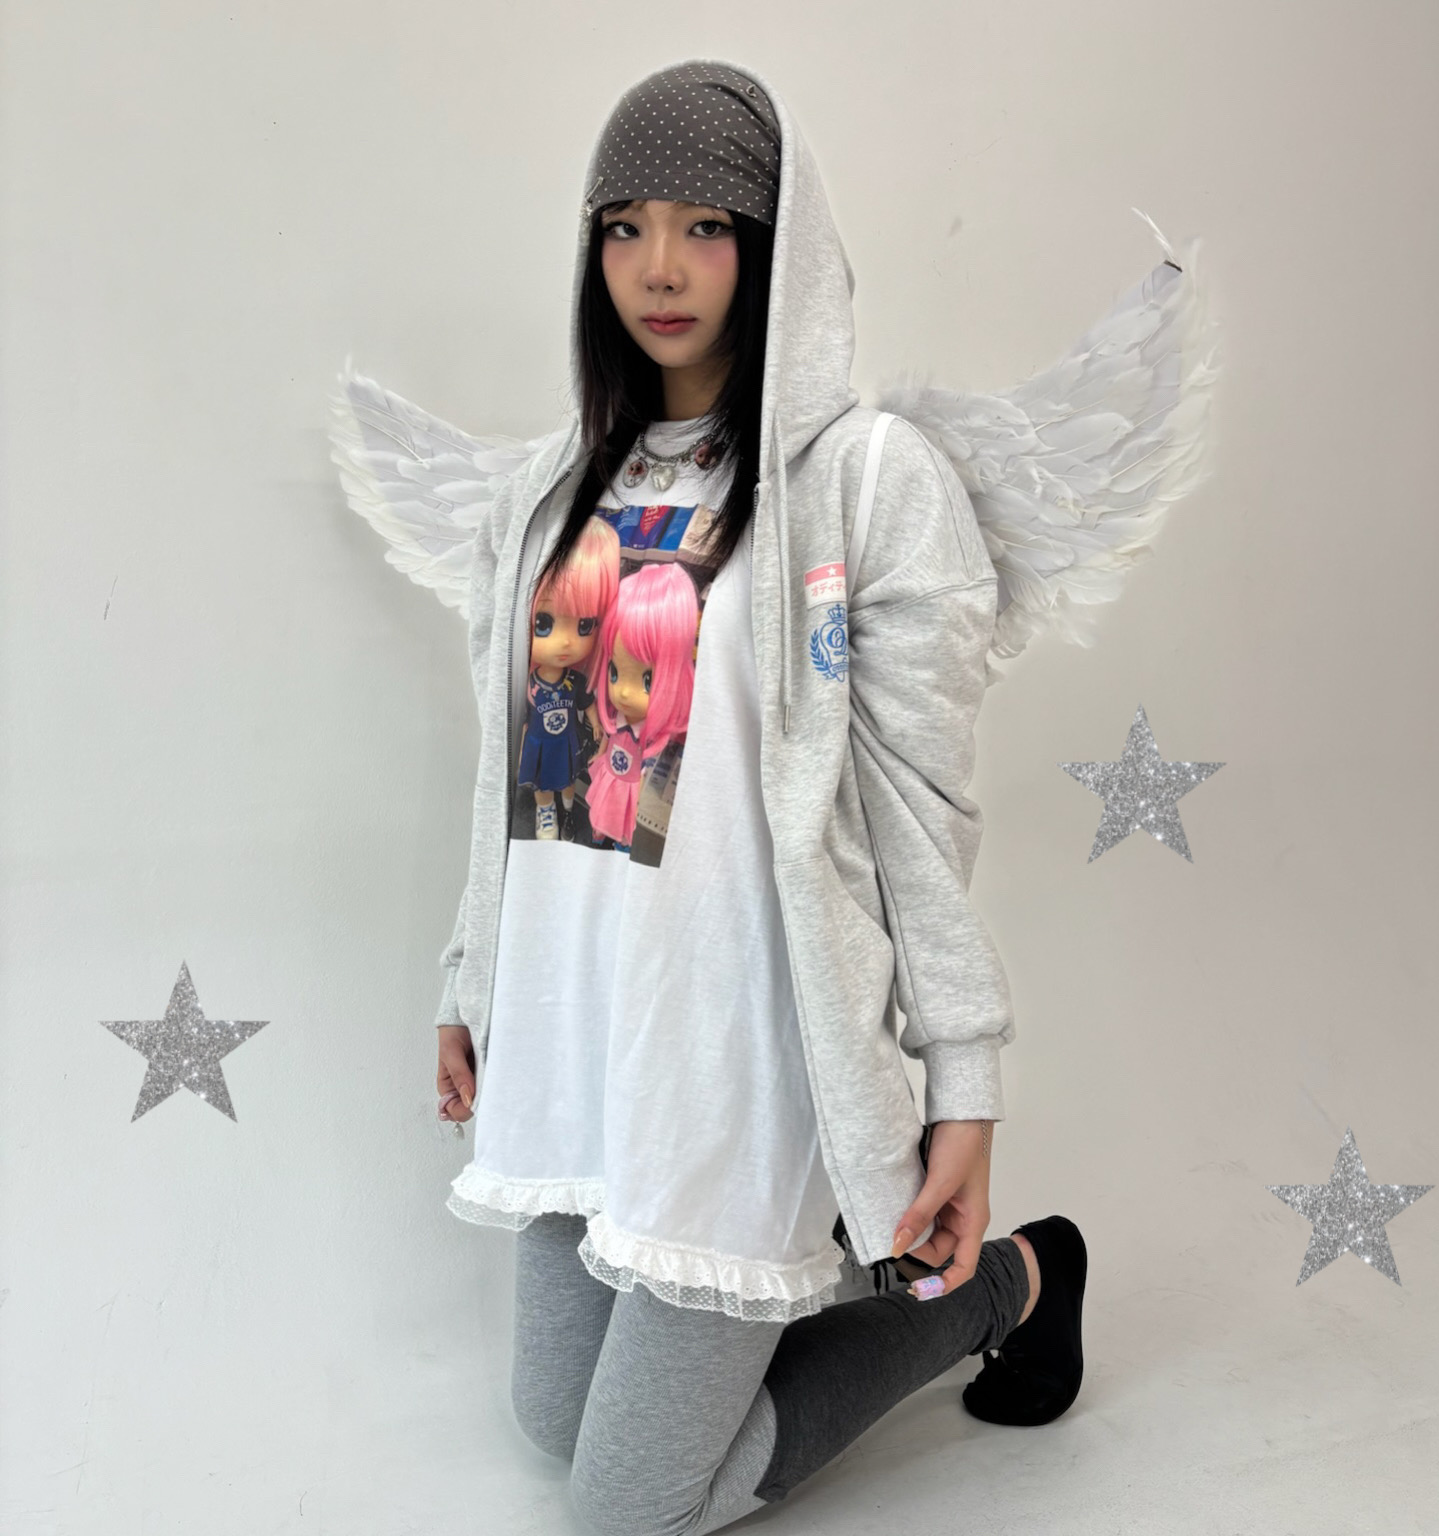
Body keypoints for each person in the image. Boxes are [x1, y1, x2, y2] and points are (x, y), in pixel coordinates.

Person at [430, 59, 1089, 1535]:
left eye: (707, 226)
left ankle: (1014, 1284)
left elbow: (919, 807)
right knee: (550, 1421)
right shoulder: (548, 488)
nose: (659, 268)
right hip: (580, 1033)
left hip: (736, 1056)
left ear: (776, 243)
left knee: (631, 1507)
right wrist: (469, 979)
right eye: (624, 227)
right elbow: (508, 773)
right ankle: (789, 1313)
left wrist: (964, 1086)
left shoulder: (865, 482)